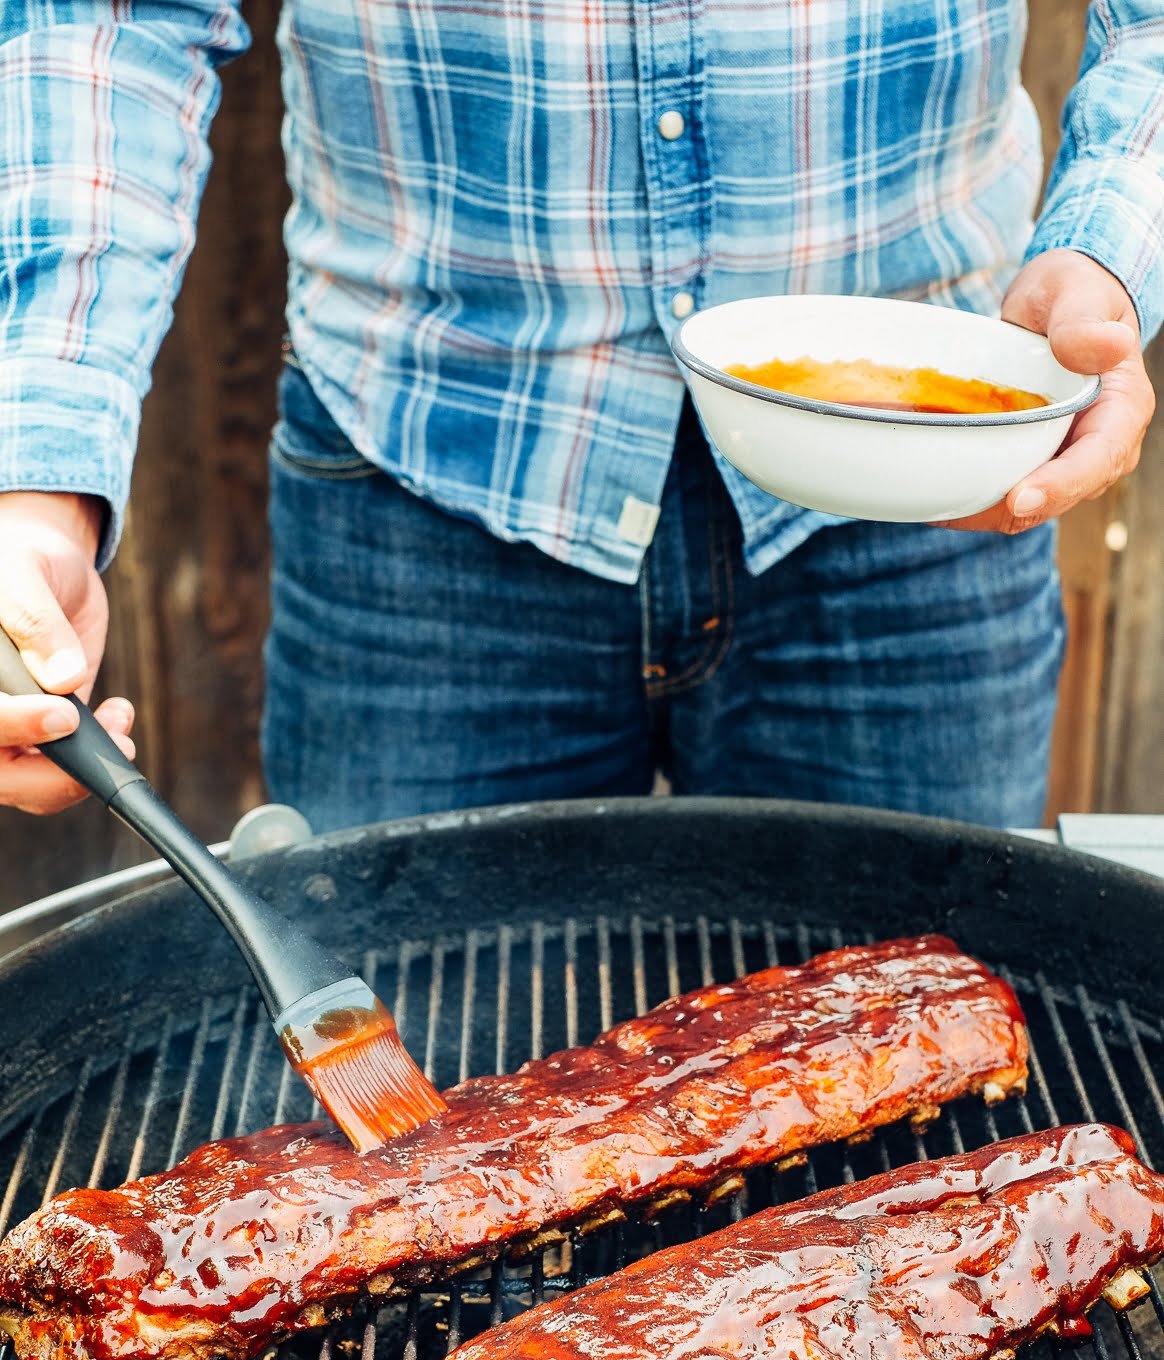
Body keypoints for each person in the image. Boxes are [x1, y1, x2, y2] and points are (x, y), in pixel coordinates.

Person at [0, 2, 1158, 832]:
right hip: (426, 483)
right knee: (407, 1089)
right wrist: (41, 481)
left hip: (923, 481)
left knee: (933, 1056)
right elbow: (108, 22)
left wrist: (1107, 247)